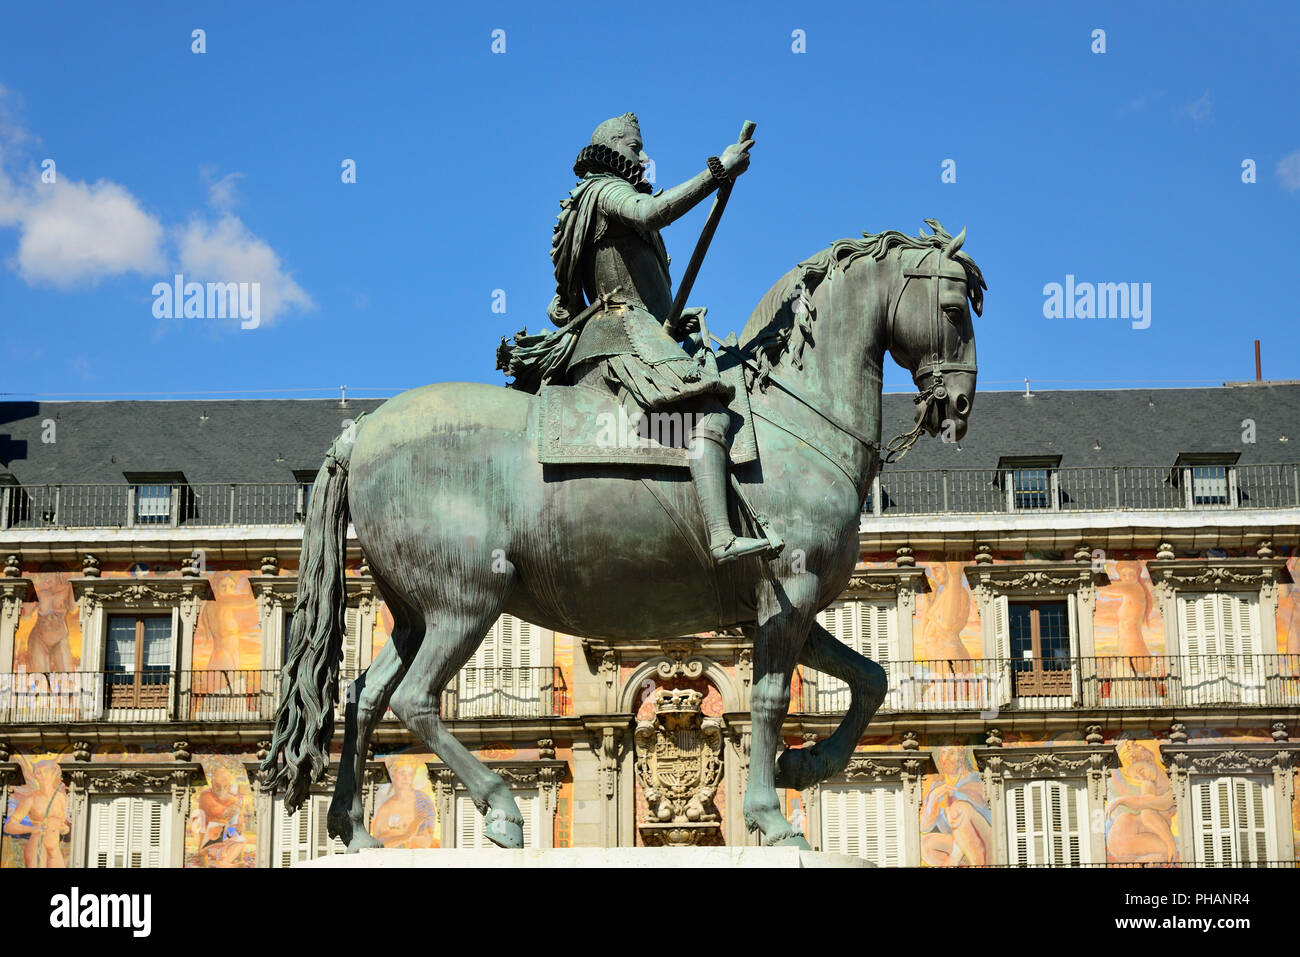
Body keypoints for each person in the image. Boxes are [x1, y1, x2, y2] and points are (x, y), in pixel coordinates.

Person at [543, 113, 776, 565]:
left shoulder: (606, 196)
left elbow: (639, 286)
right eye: (635, 147)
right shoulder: (605, 190)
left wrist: (670, 318)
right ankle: (721, 537)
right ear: (613, 148)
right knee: (709, 411)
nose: (644, 157)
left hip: (638, 328)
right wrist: (718, 170)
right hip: (620, 336)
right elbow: (651, 211)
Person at [3, 759, 70, 867]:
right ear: (35, 776)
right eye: (39, 772)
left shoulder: (62, 798)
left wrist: (64, 828)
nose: (43, 776)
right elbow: (8, 826)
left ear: (52, 773)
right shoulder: (30, 800)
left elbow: (68, 823)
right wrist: (33, 829)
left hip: (55, 847)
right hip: (37, 845)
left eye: (46, 772)